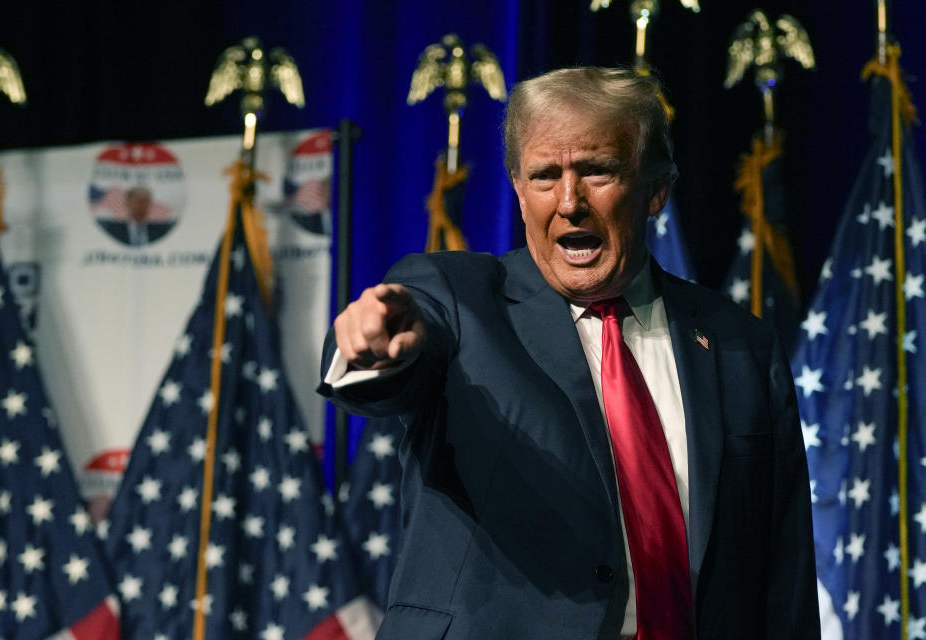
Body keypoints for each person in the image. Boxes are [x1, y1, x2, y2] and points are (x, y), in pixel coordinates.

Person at [319, 67, 819, 639]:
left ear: (656, 188)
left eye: (597, 171)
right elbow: (404, 340)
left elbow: (785, 573)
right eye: (543, 176)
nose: (569, 202)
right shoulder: (460, 301)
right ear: (515, 186)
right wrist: (376, 349)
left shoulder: (741, 345)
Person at [98, 185, 174, 247]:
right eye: (137, 203)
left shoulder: (161, 231)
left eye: (145, 203)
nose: (140, 208)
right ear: (127, 204)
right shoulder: (112, 230)